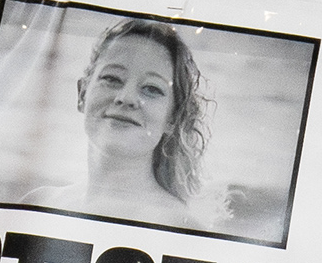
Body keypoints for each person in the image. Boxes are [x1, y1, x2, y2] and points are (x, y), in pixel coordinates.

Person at [15, 15, 220, 230]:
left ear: (173, 118)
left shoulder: (181, 228)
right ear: (82, 94)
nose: (126, 97)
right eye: (112, 79)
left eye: (151, 88)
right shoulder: (38, 204)